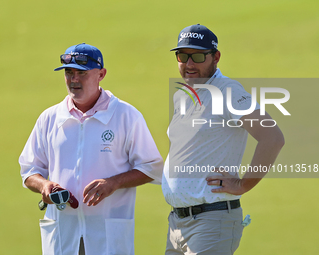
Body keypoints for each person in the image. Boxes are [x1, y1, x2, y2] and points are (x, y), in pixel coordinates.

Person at [19, 43, 163, 255]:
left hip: (107, 238)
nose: (74, 80)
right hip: (62, 236)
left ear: (101, 74)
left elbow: (152, 167)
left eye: (81, 73)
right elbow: (29, 170)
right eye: (69, 72)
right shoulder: (49, 118)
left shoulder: (126, 116)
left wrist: (113, 183)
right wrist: (44, 186)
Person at [162, 24, 285, 254]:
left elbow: (272, 137)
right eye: (182, 56)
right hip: (177, 225)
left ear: (215, 57)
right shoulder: (183, 95)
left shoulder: (228, 91)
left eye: (198, 56)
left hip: (211, 221)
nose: (189, 64)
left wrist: (244, 183)